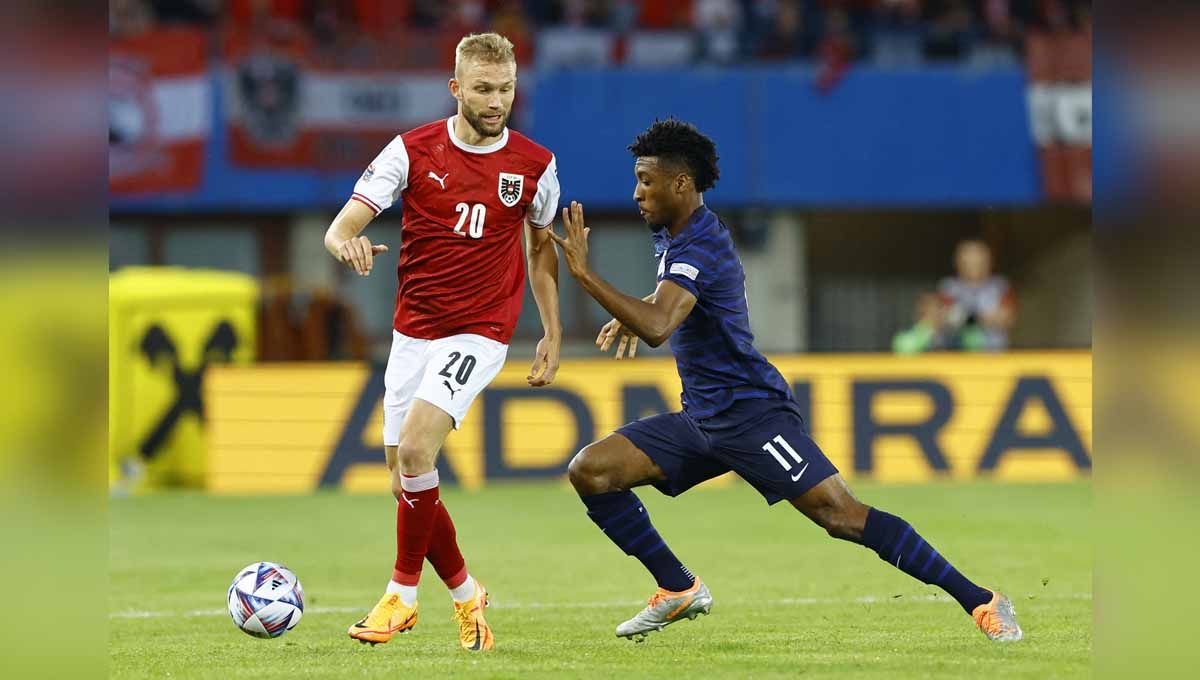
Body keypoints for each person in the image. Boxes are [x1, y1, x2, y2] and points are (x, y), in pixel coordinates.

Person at [547, 119, 1022, 643]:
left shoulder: (699, 241)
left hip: (752, 415)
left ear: (680, 184)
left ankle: (982, 601)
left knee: (841, 516)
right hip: (703, 418)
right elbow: (667, 305)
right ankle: (678, 587)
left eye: (645, 180)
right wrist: (634, 309)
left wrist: (587, 276)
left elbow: (659, 327)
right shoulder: (672, 234)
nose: (636, 192)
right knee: (591, 471)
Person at [323, 32, 562, 652]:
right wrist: (347, 245)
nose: (496, 101)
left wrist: (552, 331)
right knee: (408, 479)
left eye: (505, 88)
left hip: (481, 330)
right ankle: (466, 594)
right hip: (413, 331)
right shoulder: (410, 151)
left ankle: (400, 598)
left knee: (419, 448)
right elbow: (340, 228)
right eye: (483, 89)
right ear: (455, 88)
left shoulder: (536, 164)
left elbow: (541, 253)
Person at [939, 239, 1016, 351]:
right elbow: (944, 318)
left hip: (993, 354)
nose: (973, 264)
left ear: (989, 261)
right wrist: (984, 318)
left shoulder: (1000, 286)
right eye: (968, 259)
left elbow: (1006, 318)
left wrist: (965, 318)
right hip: (956, 355)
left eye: (979, 259)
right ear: (958, 261)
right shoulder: (949, 287)